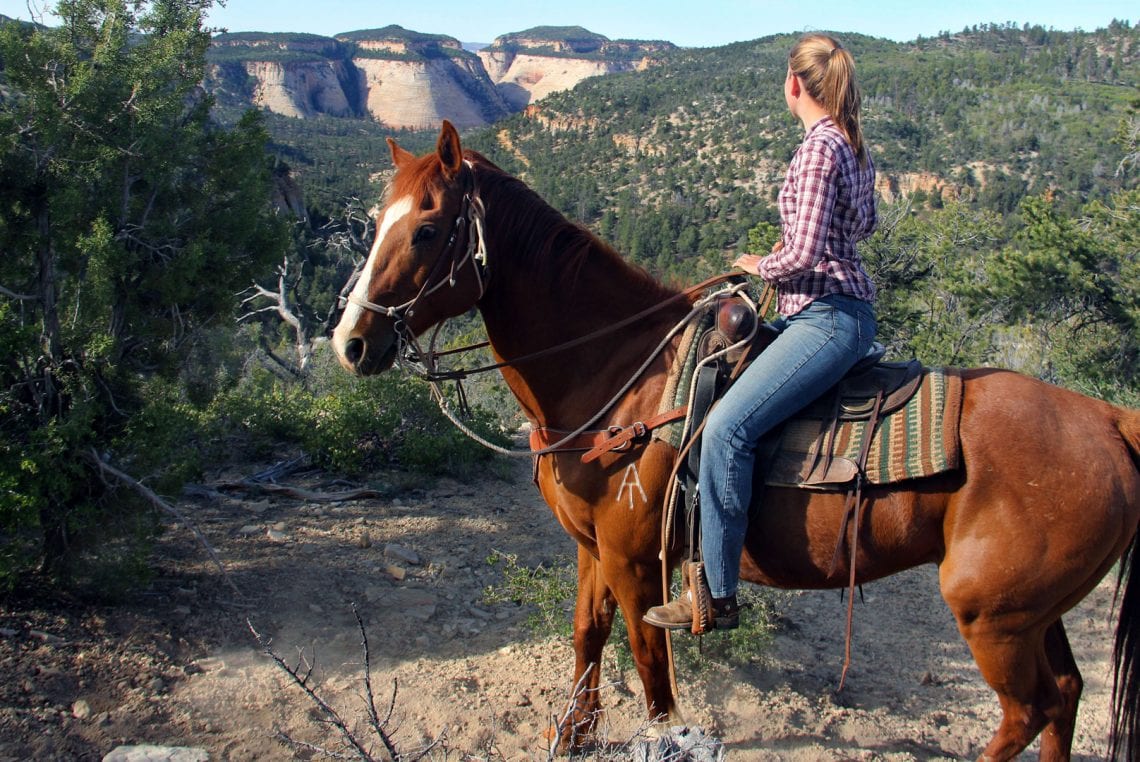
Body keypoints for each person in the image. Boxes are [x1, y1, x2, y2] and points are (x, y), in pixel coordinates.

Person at [644, 33, 878, 632]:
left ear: (794, 84)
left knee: (727, 428)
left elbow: (803, 253)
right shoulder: (851, 142)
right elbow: (863, 227)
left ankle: (718, 595)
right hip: (835, 310)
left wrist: (761, 264)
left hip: (825, 316)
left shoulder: (817, 149)